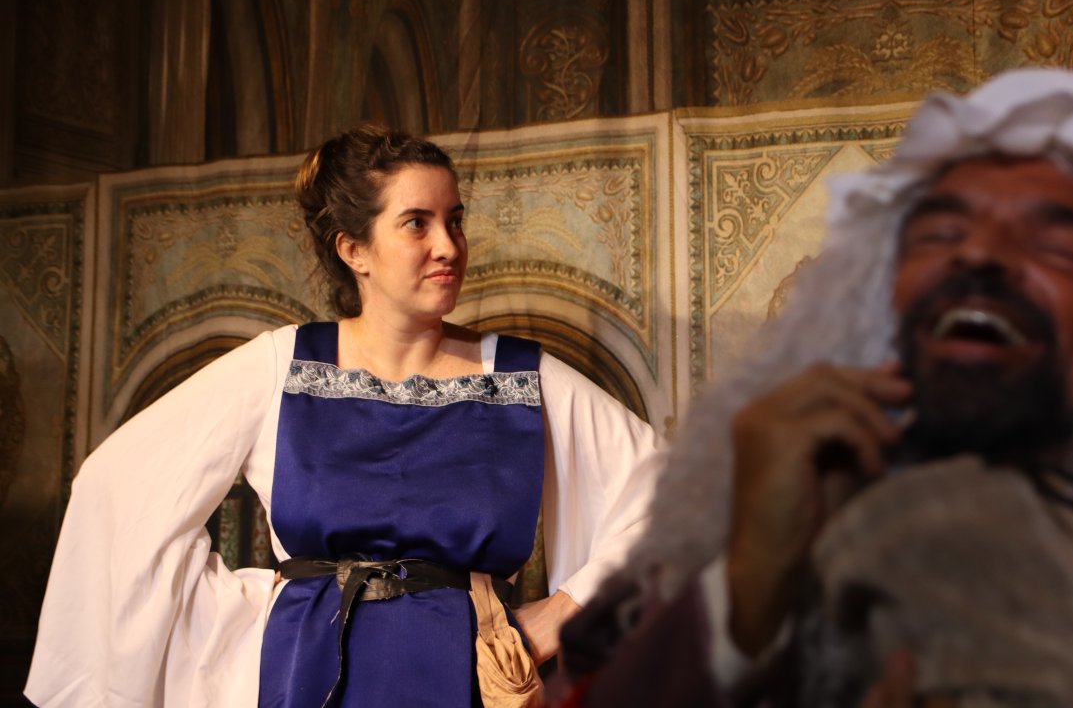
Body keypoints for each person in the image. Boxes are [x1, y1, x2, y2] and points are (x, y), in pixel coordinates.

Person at [557, 69, 1073, 708]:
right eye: (939, 231)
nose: (981, 257)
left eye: (1055, 242)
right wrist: (747, 583)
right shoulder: (773, 517)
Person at [25, 125, 662, 707]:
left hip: (467, 678)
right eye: (416, 224)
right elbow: (116, 488)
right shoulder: (282, 365)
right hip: (304, 674)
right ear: (355, 248)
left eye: (455, 221)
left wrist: (562, 613)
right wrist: (233, 626)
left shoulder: (520, 376)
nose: (448, 246)